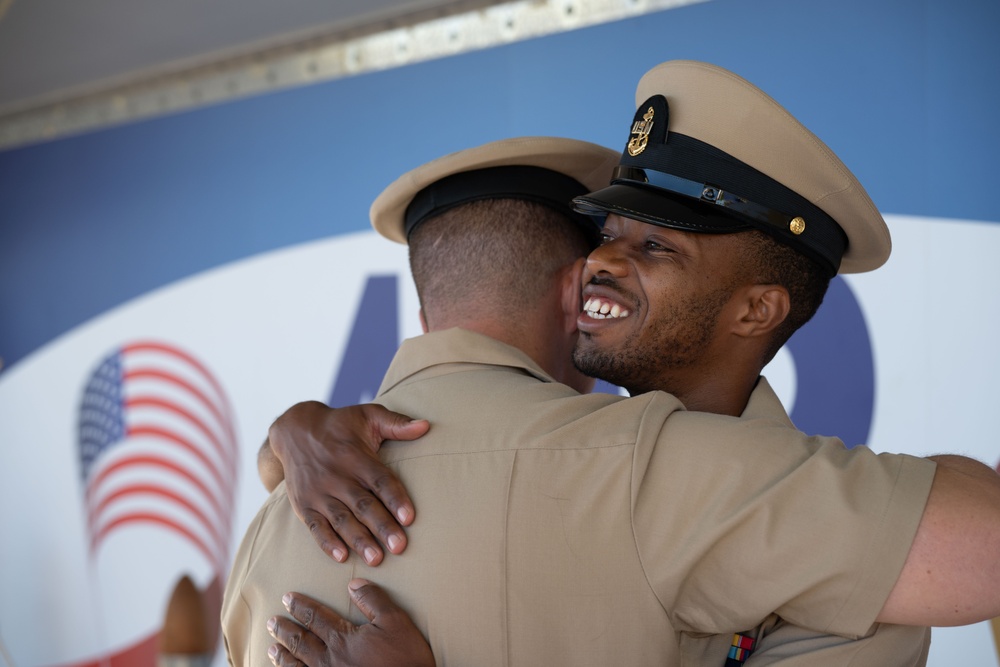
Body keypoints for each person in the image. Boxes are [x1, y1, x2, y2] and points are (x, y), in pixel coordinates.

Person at [225, 61, 1000, 667]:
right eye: (608, 235)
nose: (602, 264)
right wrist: (289, 436)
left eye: (656, 246)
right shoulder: (603, 465)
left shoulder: (859, 570)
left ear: (756, 309)